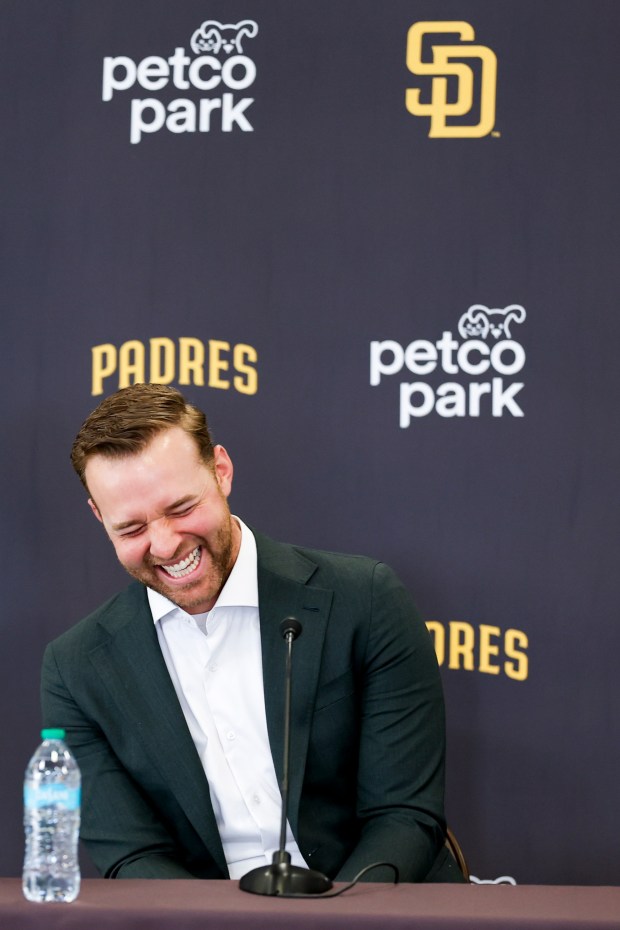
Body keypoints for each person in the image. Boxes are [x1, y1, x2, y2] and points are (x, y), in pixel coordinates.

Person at [41, 383, 463, 882]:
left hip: (377, 904)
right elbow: (132, 857)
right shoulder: (77, 667)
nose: (165, 544)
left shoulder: (365, 598)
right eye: (131, 529)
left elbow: (403, 816)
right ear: (98, 516)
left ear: (221, 471)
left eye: (180, 509)